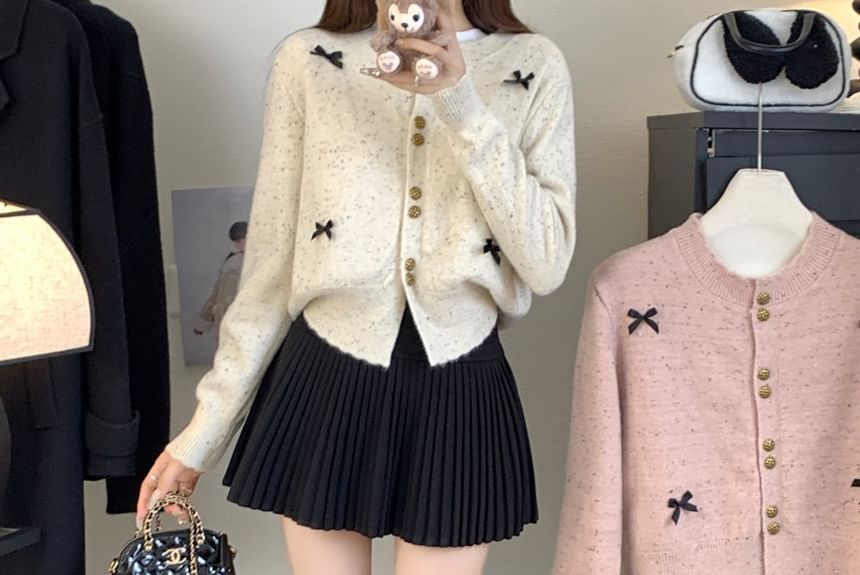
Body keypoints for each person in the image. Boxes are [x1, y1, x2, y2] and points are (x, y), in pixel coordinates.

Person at [138, 0, 576, 573]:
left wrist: (459, 101)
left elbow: (547, 262)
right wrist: (206, 431)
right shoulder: (310, 60)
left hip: (459, 387)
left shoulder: (534, 63)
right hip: (325, 377)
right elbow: (270, 267)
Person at [192, 221, 248, 342]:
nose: (239, 244)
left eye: (241, 239)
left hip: (250, 324)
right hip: (226, 323)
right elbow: (216, 295)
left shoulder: (264, 262)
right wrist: (203, 322)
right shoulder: (230, 263)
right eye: (236, 241)